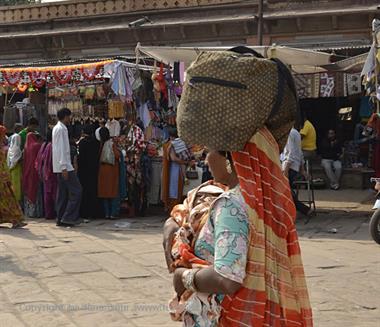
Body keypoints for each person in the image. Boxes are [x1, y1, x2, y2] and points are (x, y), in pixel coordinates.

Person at [165, 128, 312, 326]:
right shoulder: (262, 200)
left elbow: (227, 278)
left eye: (209, 152)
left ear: (229, 159)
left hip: (229, 316)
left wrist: (183, 277)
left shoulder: (230, 204)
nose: (206, 160)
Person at [52, 108, 82, 227]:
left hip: (60, 166)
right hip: (64, 166)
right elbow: (61, 149)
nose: (70, 119)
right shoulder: (61, 129)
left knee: (63, 193)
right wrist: (64, 166)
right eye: (69, 116)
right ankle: (69, 216)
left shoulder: (57, 128)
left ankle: (61, 218)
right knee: (77, 190)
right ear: (65, 116)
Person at [282, 126, 313, 216]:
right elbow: (299, 152)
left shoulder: (290, 133)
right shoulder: (295, 133)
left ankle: (303, 209)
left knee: (283, 190)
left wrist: (286, 170)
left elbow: (290, 153)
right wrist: (302, 169)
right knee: (287, 190)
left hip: (289, 167)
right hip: (293, 166)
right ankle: (303, 209)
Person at [0, 125, 27, 229]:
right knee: (8, 199)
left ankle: (16, 219)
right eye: (2, 134)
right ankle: (15, 219)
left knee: (8, 198)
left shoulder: (2, 146)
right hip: (2, 178)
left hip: (4, 177)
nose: (4, 136)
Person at [161, 129, 192, 213]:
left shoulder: (169, 144)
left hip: (172, 169)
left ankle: (173, 210)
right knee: (177, 190)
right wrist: (186, 162)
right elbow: (175, 158)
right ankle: (176, 210)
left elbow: (173, 158)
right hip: (178, 169)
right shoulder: (180, 144)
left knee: (172, 190)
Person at [78, 125, 102, 219]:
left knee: (85, 191)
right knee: (93, 190)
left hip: (84, 170)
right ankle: (94, 212)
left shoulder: (82, 142)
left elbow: (80, 157)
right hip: (94, 170)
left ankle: (85, 212)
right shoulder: (96, 142)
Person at [98, 127, 120, 219]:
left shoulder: (100, 144)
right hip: (112, 170)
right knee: (113, 192)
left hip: (102, 170)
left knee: (105, 193)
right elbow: (117, 156)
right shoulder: (111, 144)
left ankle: (106, 213)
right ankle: (112, 213)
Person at [35, 130, 57, 220]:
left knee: (47, 193)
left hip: (44, 171)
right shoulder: (51, 146)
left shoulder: (44, 145)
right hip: (50, 171)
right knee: (53, 193)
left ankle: (48, 213)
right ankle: (53, 212)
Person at [22, 132, 43, 218]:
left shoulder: (26, 147)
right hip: (35, 171)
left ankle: (29, 212)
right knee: (36, 190)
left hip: (27, 171)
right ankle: (37, 212)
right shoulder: (37, 146)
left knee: (28, 190)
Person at [7, 123, 23, 202]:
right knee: (17, 184)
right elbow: (17, 153)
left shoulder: (11, 138)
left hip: (12, 165)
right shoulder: (17, 137)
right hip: (16, 166)